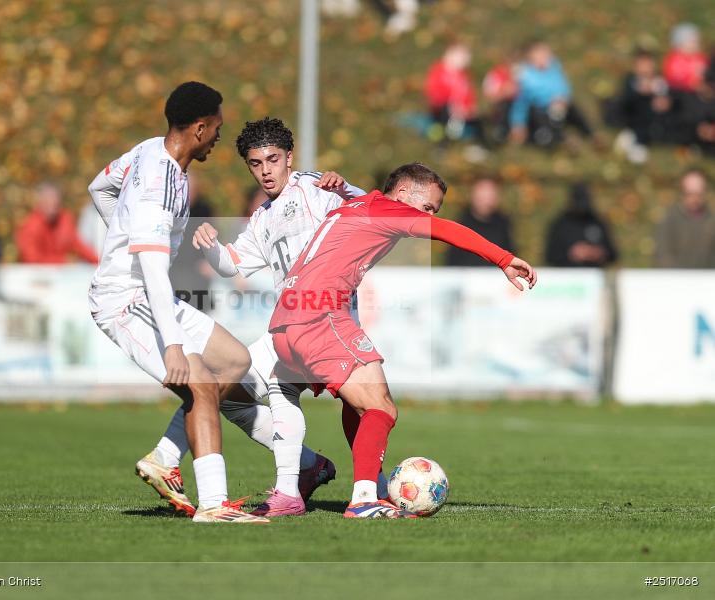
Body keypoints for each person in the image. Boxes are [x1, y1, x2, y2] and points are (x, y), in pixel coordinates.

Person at [267, 162, 536, 518]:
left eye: (433, 211)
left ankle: (374, 488)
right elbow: (447, 231)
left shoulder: (356, 205)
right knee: (382, 408)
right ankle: (363, 500)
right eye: (427, 207)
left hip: (285, 321)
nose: (429, 216)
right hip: (319, 317)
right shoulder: (386, 209)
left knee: (358, 404)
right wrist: (503, 258)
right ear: (404, 193)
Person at [86, 81, 266, 523]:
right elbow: (150, 271)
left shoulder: (147, 150)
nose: (221, 136)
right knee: (202, 383)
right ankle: (213, 505)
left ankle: (164, 458)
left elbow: (98, 187)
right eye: (218, 128)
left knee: (234, 360)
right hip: (124, 300)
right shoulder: (160, 184)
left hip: (148, 293)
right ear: (200, 128)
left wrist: (120, 233)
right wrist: (172, 344)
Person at [188, 117, 367, 517]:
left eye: (272, 159)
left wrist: (345, 189)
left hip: (328, 321)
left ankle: (358, 488)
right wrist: (210, 248)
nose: (265, 171)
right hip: (291, 326)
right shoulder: (264, 217)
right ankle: (307, 469)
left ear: (289, 158)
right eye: (255, 163)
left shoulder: (314, 189)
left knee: (359, 406)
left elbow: (364, 205)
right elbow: (231, 264)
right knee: (229, 395)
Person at [509, 40, 593, 147]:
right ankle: (563, 140)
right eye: (540, 55)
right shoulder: (526, 77)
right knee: (547, 130)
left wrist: (562, 99)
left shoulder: (554, 70)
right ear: (530, 58)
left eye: (546, 54)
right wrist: (518, 123)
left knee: (574, 110)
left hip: (559, 106)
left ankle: (590, 134)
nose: (545, 58)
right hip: (540, 111)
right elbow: (521, 103)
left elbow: (563, 87)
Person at [607, 49, 672, 163]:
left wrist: (664, 102)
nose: (645, 69)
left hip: (657, 122)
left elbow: (669, 99)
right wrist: (639, 93)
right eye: (642, 65)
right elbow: (624, 102)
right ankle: (635, 140)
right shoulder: (630, 81)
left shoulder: (660, 81)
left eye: (648, 65)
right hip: (634, 119)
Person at [16, 183, 98, 264]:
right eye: (48, 201)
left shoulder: (65, 219)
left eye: (55, 201)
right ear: (40, 202)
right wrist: (62, 261)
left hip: (60, 273)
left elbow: (79, 245)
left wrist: (98, 261)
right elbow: (31, 259)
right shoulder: (30, 226)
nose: (53, 205)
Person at [169, 175, 216, 313]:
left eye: (191, 190)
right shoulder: (169, 211)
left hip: (195, 267)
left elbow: (210, 237)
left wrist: (209, 260)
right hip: (175, 266)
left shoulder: (204, 210)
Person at [545, 183, 618, 268]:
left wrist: (597, 253)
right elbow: (550, 255)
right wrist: (571, 254)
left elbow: (612, 254)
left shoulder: (598, 222)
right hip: (567, 276)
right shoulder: (560, 224)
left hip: (595, 276)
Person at [446, 177, 515, 267]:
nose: (486, 201)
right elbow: (452, 262)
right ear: (473, 195)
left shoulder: (504, 223)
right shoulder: (460, 224)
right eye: (482, 196)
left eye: (490, 196)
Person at [655, 169, 715, 269]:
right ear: (682, 193)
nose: (694, 199)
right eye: (689, 194)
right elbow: (663, 255)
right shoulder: (669, 221)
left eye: (698, 194)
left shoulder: (712, 221)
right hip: (676, 280)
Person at [424, 43, 482, 144]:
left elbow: (468, 94)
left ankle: (478, 144)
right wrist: (452, 106)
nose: (465, 61)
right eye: (461, 57)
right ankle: (441, 143)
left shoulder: (463, 76)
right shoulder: (439, 71)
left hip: (459, 110)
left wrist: (468, 107)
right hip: (442, 108)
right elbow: (434, 93)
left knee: (477, 121)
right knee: (441, 122)